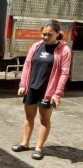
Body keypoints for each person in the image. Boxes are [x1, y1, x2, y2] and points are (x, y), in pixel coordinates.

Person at [11, 19, 72, 160]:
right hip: (32, 86)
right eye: (43, 34)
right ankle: (25, 143)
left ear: (57, 33)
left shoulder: (64, 50)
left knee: (44, 119)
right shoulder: (36, 46)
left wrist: (57, 94)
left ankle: (38, 148)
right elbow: (27, 66)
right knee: (28, 116)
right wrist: (22, 85)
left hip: (48, 90)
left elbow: (64, 73)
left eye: (49, 34)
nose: (45, 37)